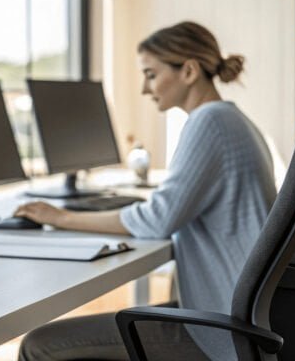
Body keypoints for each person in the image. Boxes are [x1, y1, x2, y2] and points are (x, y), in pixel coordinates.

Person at [14, 21, 277, 361]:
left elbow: (156, 220)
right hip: (243, 318)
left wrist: (62, 217)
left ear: (189, 71)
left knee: (40, 344)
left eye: (151, 74)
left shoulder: (208, 122)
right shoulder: (232, 120)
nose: (144, 87)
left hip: (224, 333)